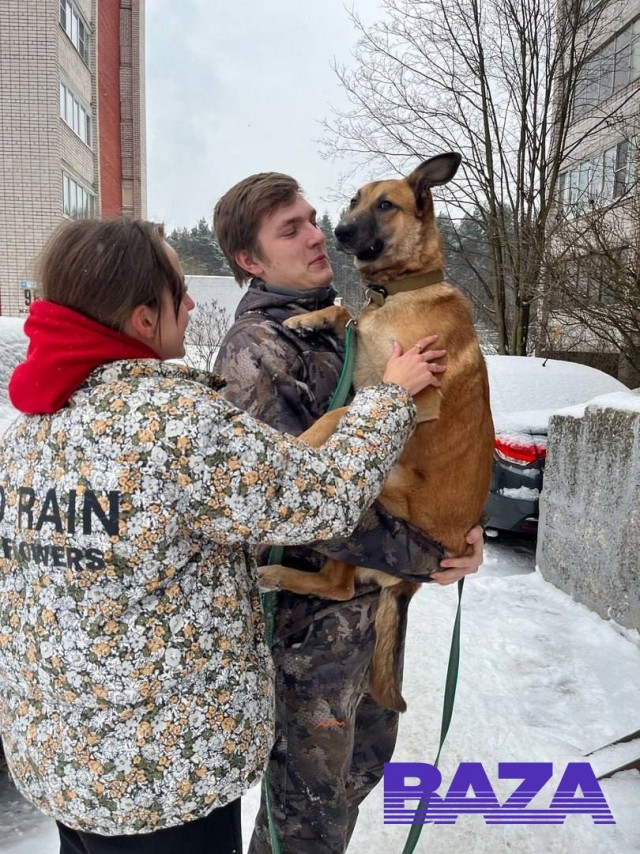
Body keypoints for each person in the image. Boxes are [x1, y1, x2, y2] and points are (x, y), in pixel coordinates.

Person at [0, 218, 444, 854]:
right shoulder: (177, 427)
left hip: (67, 766)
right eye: (177, 289)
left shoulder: (32, 436)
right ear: (141, 320)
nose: (190, 302)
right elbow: (322, 499)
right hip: (164, 781)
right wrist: (390, 399)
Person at [213, 173, 485, 854]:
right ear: (250, 260)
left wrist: (459, 531)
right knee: (304, 820)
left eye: (313, 218)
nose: (319, 235)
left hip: (363, 617)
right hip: (311, 643)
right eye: (291, 229)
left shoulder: (346, 320)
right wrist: (432, 554)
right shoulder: (258, 353)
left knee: (355, 782)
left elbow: (429, 440)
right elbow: (299, 508)